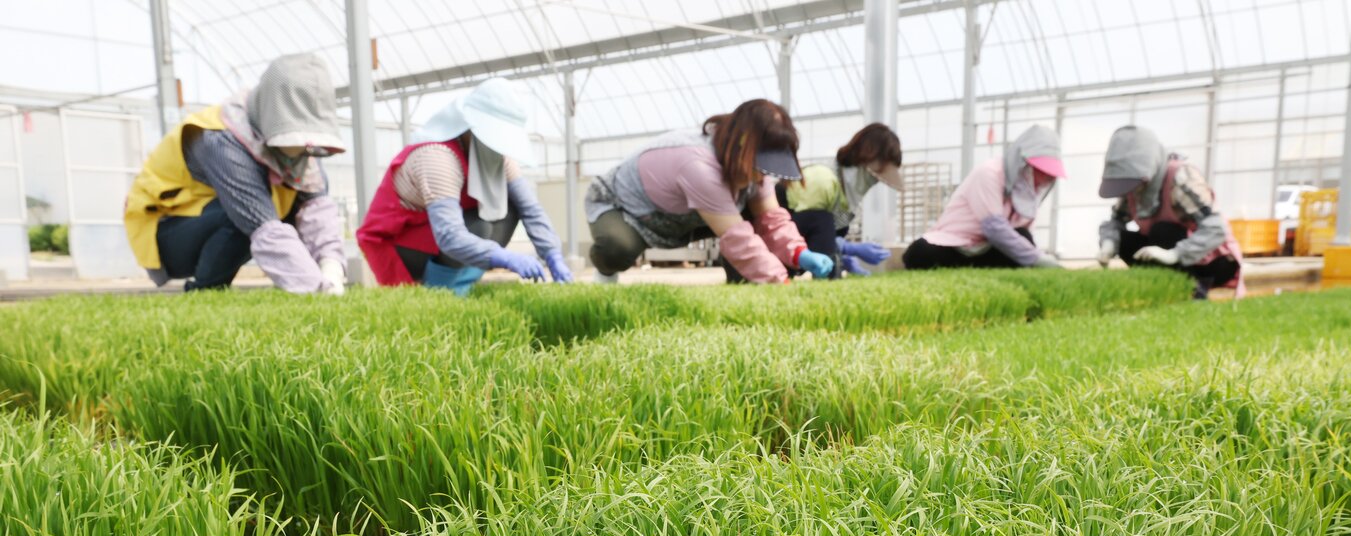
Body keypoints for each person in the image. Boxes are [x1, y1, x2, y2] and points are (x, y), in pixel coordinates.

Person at [124, 53, 347, 294]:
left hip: (210, 217)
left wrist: (331, 269)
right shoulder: (220, 140)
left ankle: (301, 284)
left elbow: (316, 208)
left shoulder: (301, 152)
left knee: (292, 204)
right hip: (168, 232)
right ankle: (206, 290)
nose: (305, 151)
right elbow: (261, 222)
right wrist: (317, 290)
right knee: (241, 212)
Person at [357, 78, 571, 295]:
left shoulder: (496, 159)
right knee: (479, 228)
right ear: (471, 127)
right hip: (402, 243)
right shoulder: (437, 157)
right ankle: (439, 292)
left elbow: (530, 208)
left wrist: (552, 253)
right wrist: (502, 257)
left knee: (508, 210)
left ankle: (461, 286)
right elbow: (450, 235)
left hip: (438, 237)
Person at [585, 99, 835, 284]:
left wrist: (800, 253)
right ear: (742, 144)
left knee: (752, 216)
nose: (763, 176)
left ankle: (744, 285)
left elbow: (772, 219)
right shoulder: (698, 164)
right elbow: (737, 237)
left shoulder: (753, 166)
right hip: (627, 209)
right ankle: (605, 274)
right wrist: (781, 281)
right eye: (762, 166)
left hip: (684, 217)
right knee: (618, 248)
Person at [1095, 126, 1244, 298]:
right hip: (1171, 251)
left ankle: (1194, 291)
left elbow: (1216, 229)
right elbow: (1116, 220)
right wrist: (1109, 244)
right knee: (1125, 240)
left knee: (1162, 231)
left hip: (1211, 260)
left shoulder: (1180, 177)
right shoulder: (1134, 189)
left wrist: (1175, 254)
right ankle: (1159, 287)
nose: (1134, 190)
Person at [903, 125, 1066, 271]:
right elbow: (994, 227)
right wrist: (1036, 258)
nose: (1044, 179)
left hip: (989, 247)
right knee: (919, 253)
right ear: (1023, 162)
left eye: (1049, 175)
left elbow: (1020, 233)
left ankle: (976, 267)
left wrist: (1035, 255)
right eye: (1041, 171)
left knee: (1024, 237)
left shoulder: (1030, 191)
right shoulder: (990, 173)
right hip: (955, 245)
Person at [778, 122, 904, 277]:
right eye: (874, 177)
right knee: (822, 218)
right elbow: (809, 228)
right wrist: (848, 248)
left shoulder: (848, 202)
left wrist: (843, 256)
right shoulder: (823, 179)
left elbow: (827, 237)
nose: (873, 183)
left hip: (795, 251)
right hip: (777, 246)